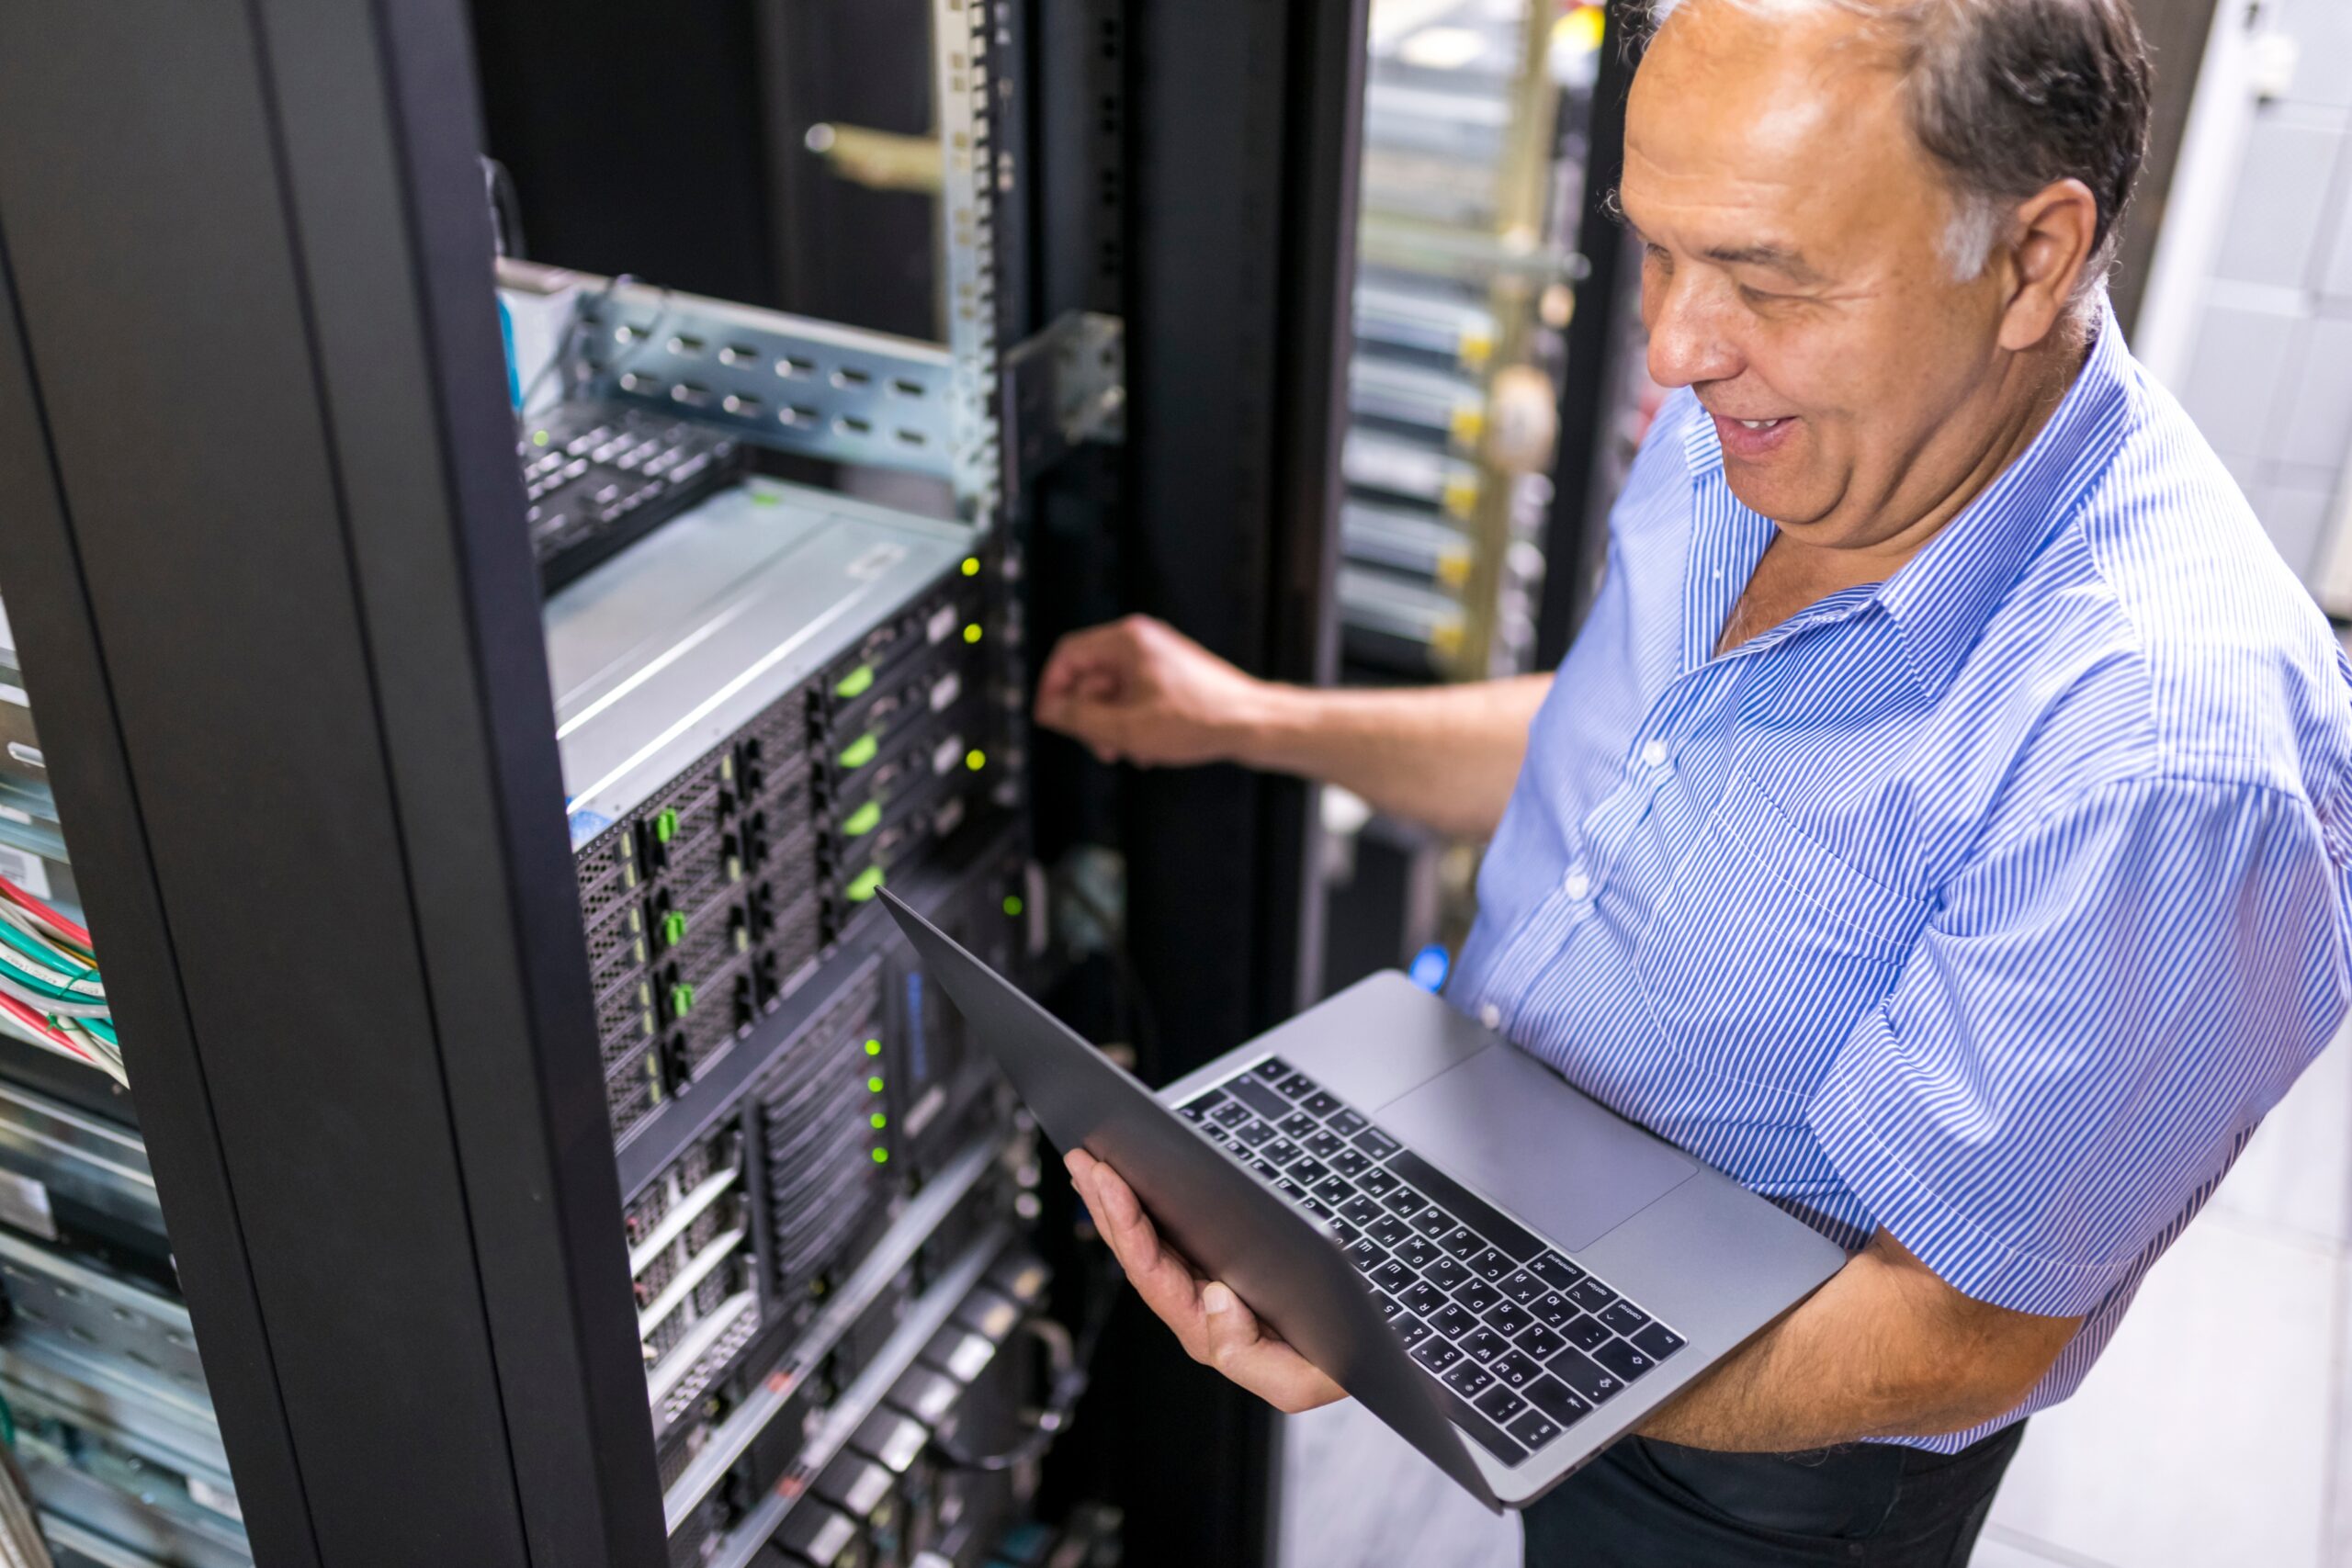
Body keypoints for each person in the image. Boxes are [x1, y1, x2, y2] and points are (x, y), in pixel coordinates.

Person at [1034, 0, 2352, 1561]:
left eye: (1766, 274)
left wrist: (1434, 1335)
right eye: (1659, 249)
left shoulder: (2168, 759)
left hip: (1770, 1450)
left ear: (2032, 260)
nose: (1672, 345)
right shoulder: (1769, 422)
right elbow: (1638, 759)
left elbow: (1955, 1327)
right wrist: (1252, 722)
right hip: (1544, 1243)